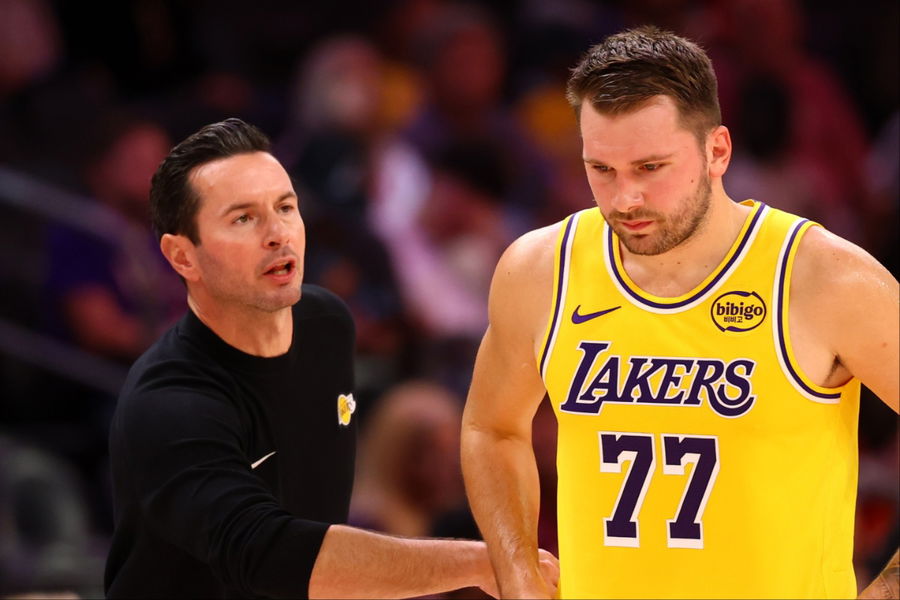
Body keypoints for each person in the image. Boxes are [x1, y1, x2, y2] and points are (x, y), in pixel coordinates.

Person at [460, 26, 898, 599]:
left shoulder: (824, 278)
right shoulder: (542, 269)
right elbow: (491, 428)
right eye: (602, 170)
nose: (625, 199)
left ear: (717, 151)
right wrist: (518, 575)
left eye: (650, 167)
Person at [104, 118, 559, 599]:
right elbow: (267, 553)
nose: (277, 233)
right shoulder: (169, 402)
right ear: (182, 257)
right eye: (243, 219)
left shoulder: (326, 323)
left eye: (285, 207)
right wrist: (479, 562)